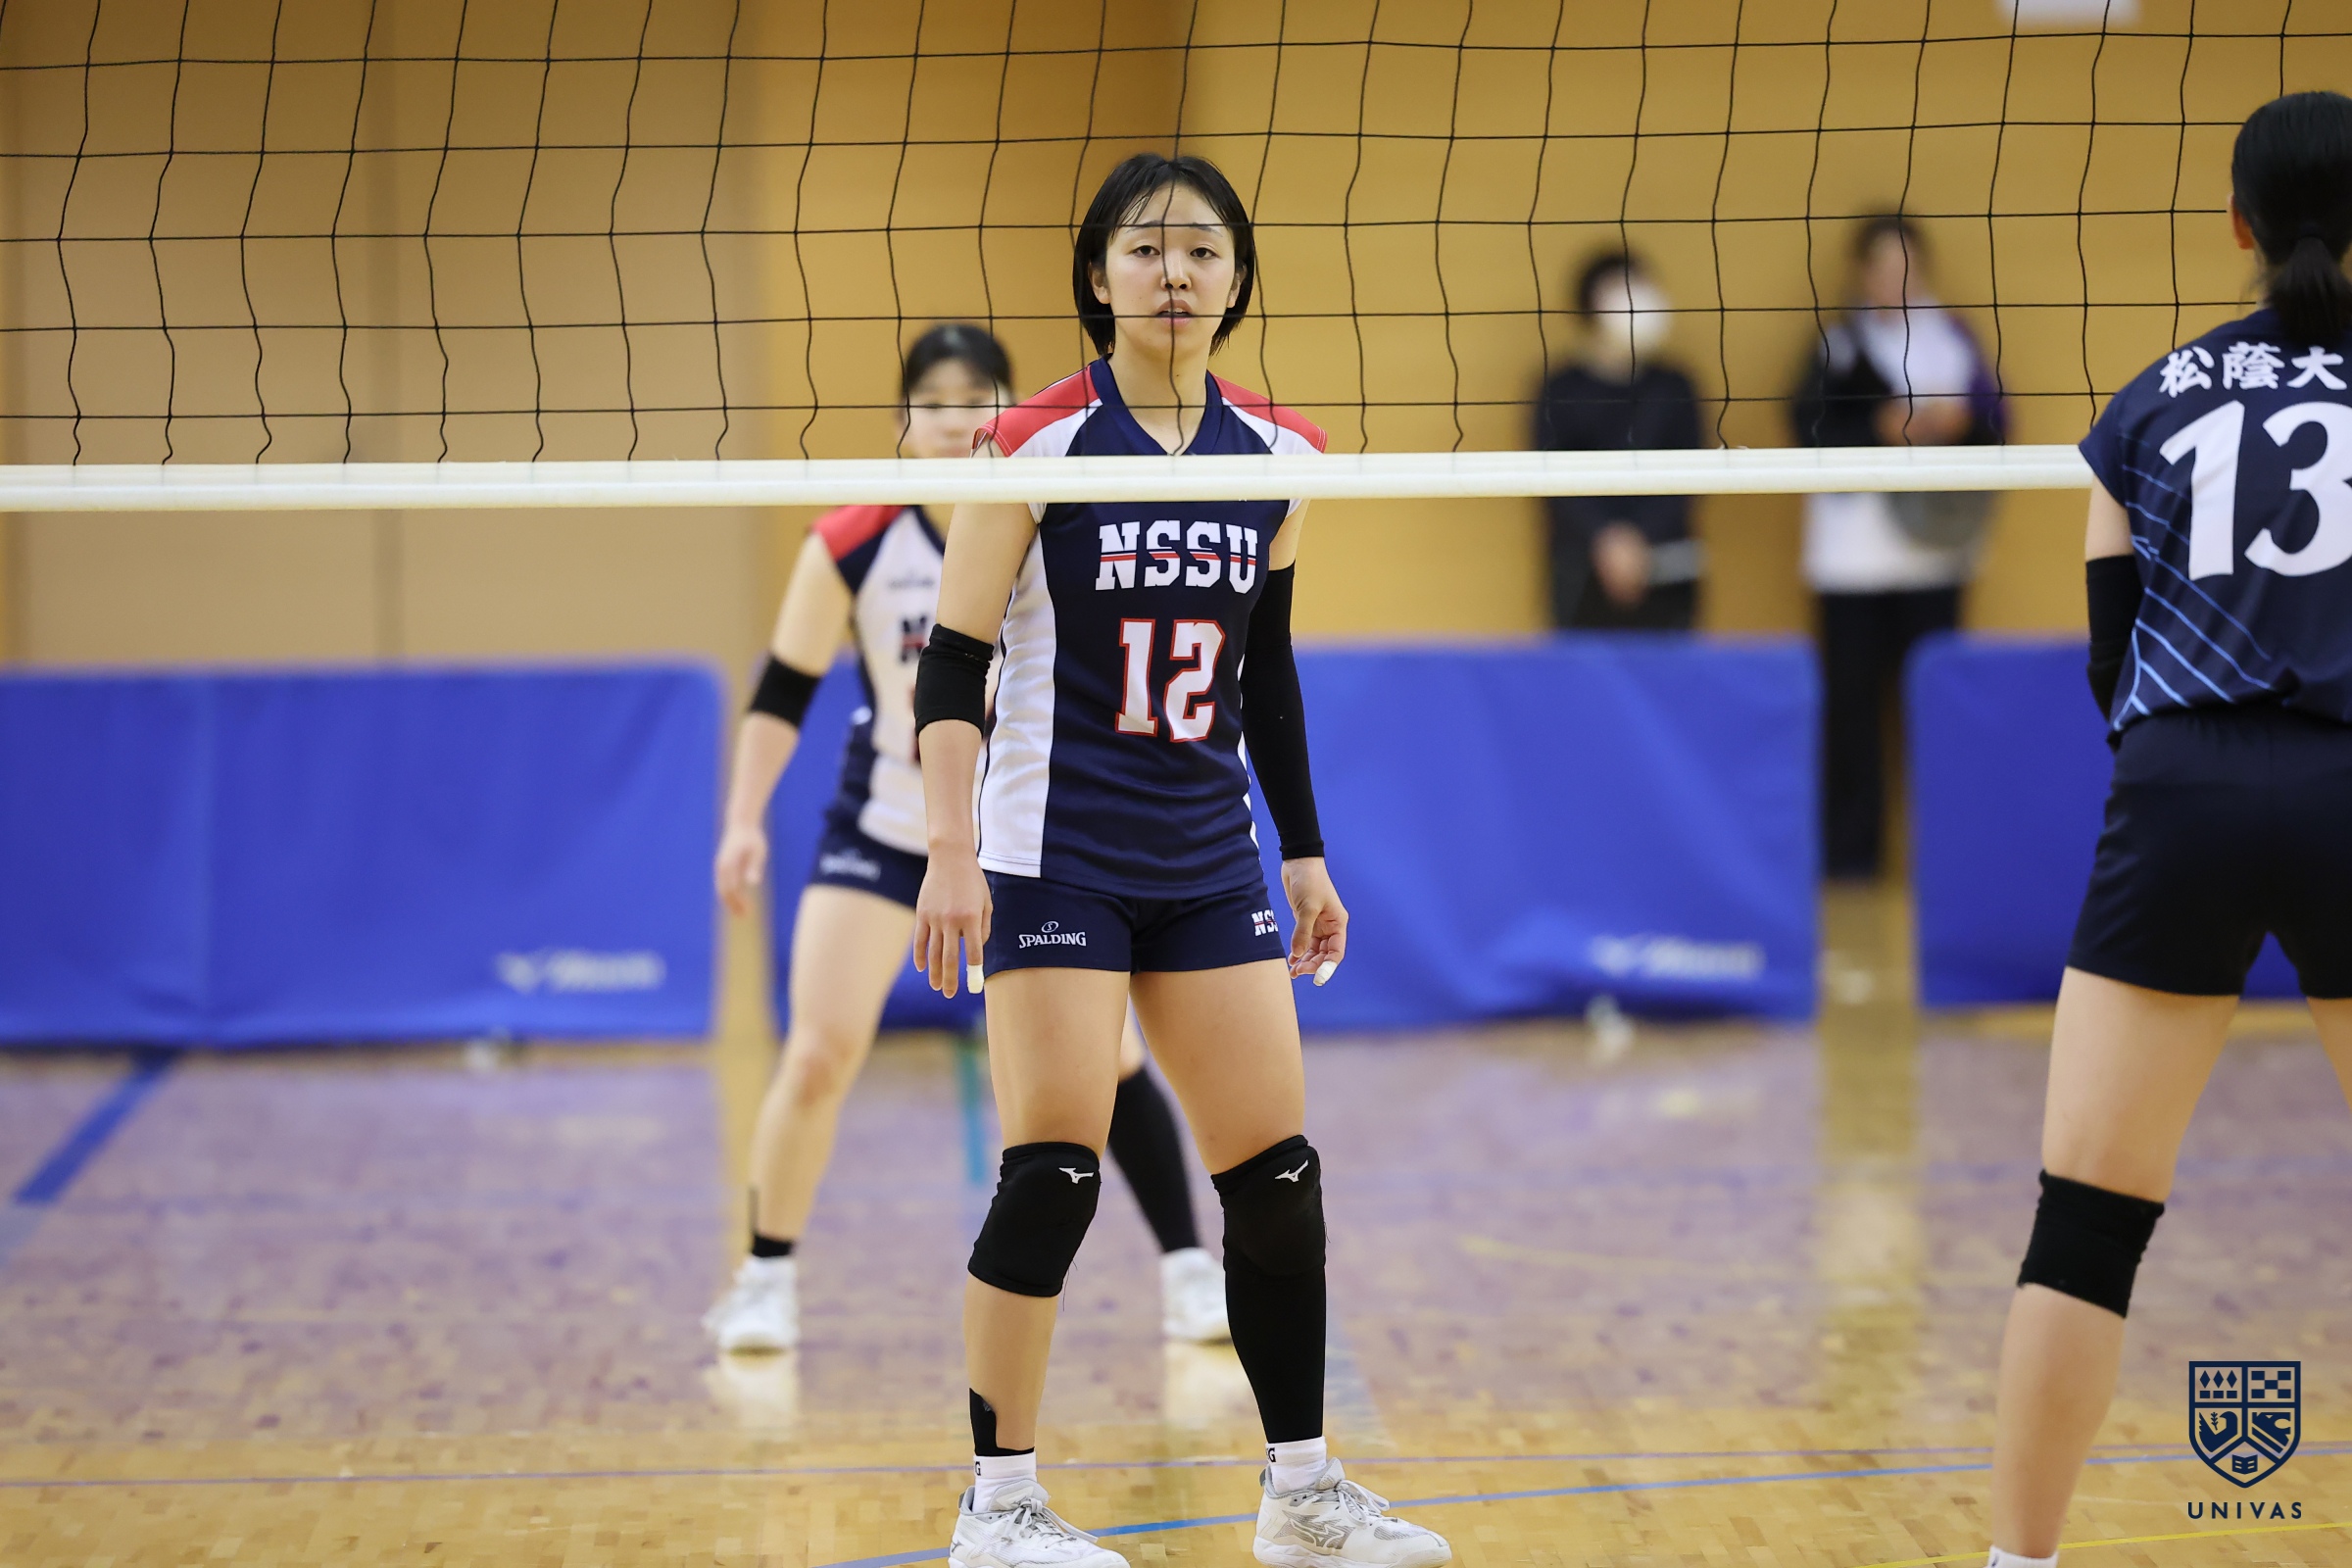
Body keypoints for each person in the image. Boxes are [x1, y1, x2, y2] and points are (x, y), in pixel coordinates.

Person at [909, 154, 1450, 1568]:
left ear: (1237, 279)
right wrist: (951, 849)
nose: (1174, 273)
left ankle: (1302, 1492)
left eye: (1202, 250)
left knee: (1276, 1179)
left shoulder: (1279, 455)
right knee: (1053, 1171)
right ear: (1097, 277)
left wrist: (1305, 851)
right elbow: (952, 664)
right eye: (1145, 249)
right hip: (1055, 856)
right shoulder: (1032, 443)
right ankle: (999, 1508)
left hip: (1208, 857)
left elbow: (1267, 668)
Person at [1981, 91, 2352, 1568]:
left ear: (2237, 224)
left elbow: (2109, 654)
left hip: (2184, 786)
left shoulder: (2150, 402)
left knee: (2085, 1222)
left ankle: (2018, 1560)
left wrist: (2190, 777)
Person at [702, 322, 1230, 1357]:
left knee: (1111, 1064)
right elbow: (782, 689)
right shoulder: (852, 541)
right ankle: (763, 1279)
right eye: (935, 402)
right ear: (903, 423)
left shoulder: (1057, 516)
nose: (957, 419)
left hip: (1025, 836)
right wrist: (741, 818)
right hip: (889, 830)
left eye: (978, 398)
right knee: (816, 1052)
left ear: (1009, 416)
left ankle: (1186, 1269)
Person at [1791, 212, 2006, 879]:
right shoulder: (1838, 345)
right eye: (1883, 263)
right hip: (1851, 560)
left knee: (1935, 707)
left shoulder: (1955, 341)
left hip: (1934, 556)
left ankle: (1948, 853)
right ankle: (1851, 860)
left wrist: (1956, 422)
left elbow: (1998, 425)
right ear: (1862, 271)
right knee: (1852, 712)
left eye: (1906, 260)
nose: (1896, 275)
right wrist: (1879, 428)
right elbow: (1806, 428)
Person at [1534, 250, 1705, 630]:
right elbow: (1551, 481)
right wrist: (1605, 539)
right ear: (1592, 304)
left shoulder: (1675, 386)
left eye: (1642, 284)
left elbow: (1693, 476)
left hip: (1667, 562)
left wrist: (1641, 539)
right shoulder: (1560, 390)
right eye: (1623, 287)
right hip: (1581, 566)